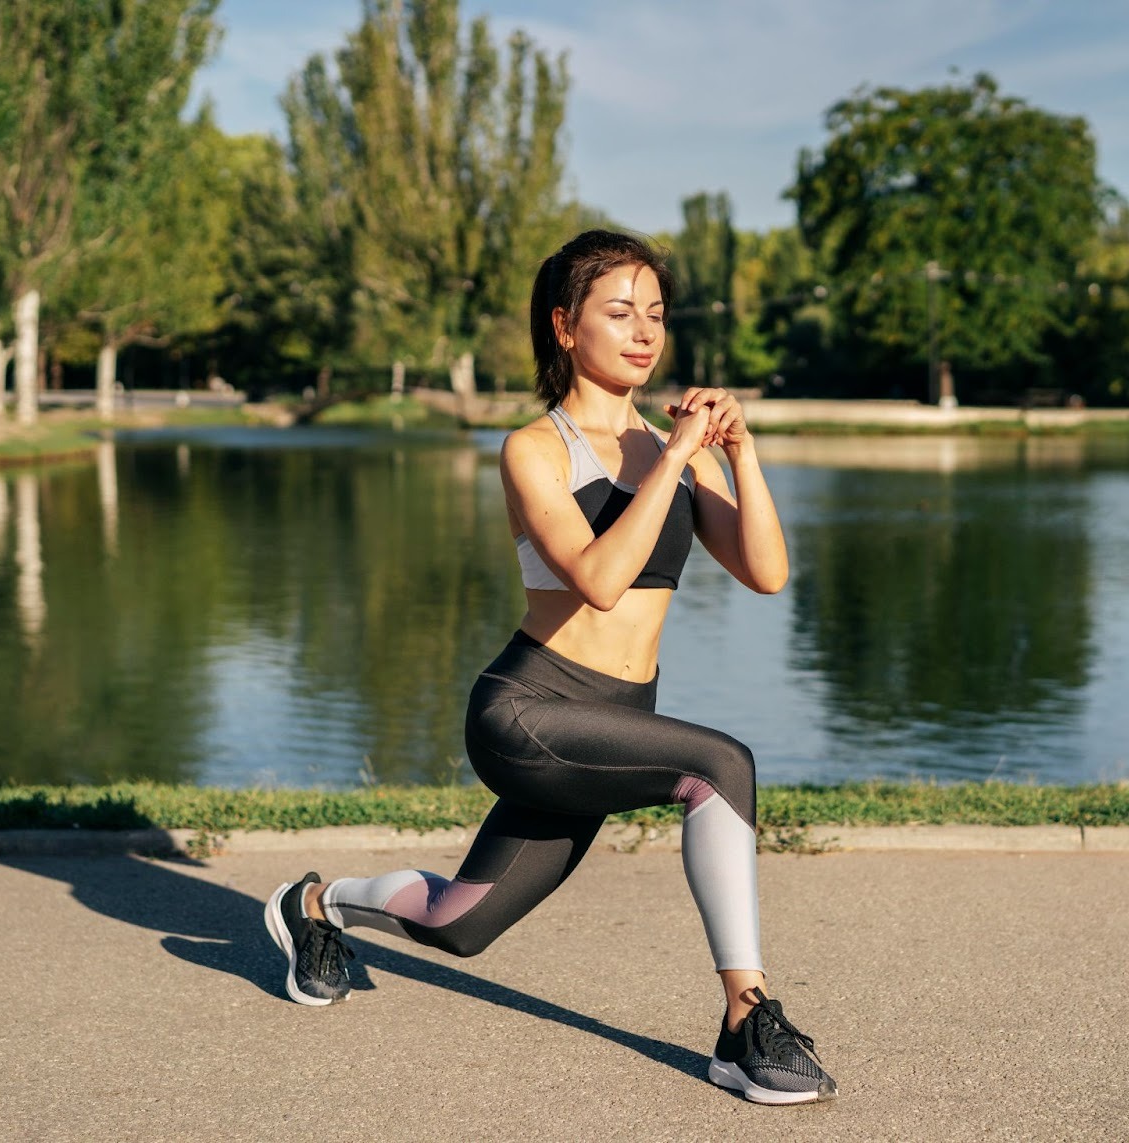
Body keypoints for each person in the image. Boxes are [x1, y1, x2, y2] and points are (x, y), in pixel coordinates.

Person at [264, 229, 837, 1106]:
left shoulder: (664, 449)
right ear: (566, 327)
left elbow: (766, 572)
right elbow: (601, 581)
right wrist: (679, 454)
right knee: (721, 765)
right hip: (527, 711)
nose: (644, 332)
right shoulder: (534, 448)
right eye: (620, 312)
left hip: (610, 723)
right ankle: (745, 1019)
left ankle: (313, 905)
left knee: (461, 924)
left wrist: (740, 452)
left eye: (654, 313)